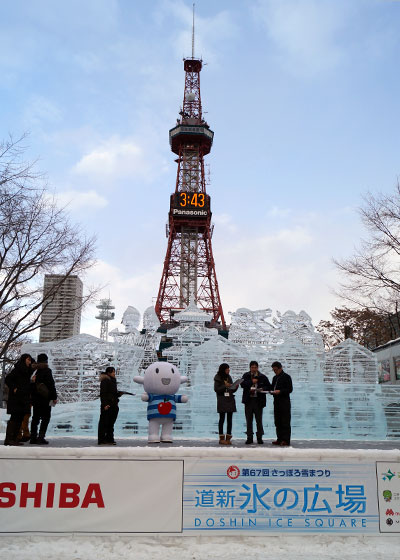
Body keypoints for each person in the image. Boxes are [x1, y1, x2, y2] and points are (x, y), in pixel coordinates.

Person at [4, 354, 34, 446]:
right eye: (28, 360)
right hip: (16, 399)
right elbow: (8, 379)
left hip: (23, 398)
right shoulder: (18, 369)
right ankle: (9, 439)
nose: (30, 361)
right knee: (15, 418)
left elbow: (34, 364)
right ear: (24, 360)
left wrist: (31, 381)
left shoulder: (27, 371)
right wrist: (14, 388)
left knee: (19, 418)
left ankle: (14, 438)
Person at [241, 360, 271, 444]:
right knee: (249, 420)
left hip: (258, 401)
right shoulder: (246, 375)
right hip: (249, 400)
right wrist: (251, 382)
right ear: (250, 368)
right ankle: (249, 437)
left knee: (259, 420)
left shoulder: (262, 376)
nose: (253, 369)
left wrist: (261, 389)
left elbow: (269, 386)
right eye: (252, 367)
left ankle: (259, 437)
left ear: (257, 368)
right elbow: (242, 384)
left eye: (255, 367)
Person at [30, 353, 58, 445]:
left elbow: (31, 385)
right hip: (45, 399)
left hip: (35, 399)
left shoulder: (35, 371)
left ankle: (33, 437)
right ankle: (41, 438)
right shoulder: (47, 370)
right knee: (45, 418)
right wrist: (54, 397)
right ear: (46, 360)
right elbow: (51, 385)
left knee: (35, 418)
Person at [214, 363, 238, 445]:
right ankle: (221, 438)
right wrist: (225, 385)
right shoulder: (217, 377)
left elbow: (231, 389)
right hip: (222, 400)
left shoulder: (229, 377)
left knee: (229, 419)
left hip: (230, 399)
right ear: (223, 370)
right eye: (227, 369)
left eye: (229, 369)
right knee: (222, 419)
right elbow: (216, 389)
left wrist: (235, 387)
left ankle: (228, 438)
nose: (229, 370)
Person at [270, 361, 293, 447]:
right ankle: (279, 439)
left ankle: (286, 440)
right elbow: (272, 388)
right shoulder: (274, 378)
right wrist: (270, 391)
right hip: (276, 402)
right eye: (273, 370)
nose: (275, 371)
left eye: (276, 370)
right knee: (277, 421)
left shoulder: (287, 377)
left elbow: (290, 389)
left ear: (280, 368)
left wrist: (280, 391)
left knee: (285, 421)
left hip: (284, 402)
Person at [98, 366, 120, 445]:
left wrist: (118, 394)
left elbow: (112, 393)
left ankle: (109, 439)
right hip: (107, 406)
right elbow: (103, 394)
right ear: (108, 373)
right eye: (113, 372)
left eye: (114, 372)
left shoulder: (112, 381)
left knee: (111, 423)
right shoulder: (105, 381)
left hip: (113, 405)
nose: (114, 373)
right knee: (104, 423)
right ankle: (102, 439)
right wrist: (105, 404)